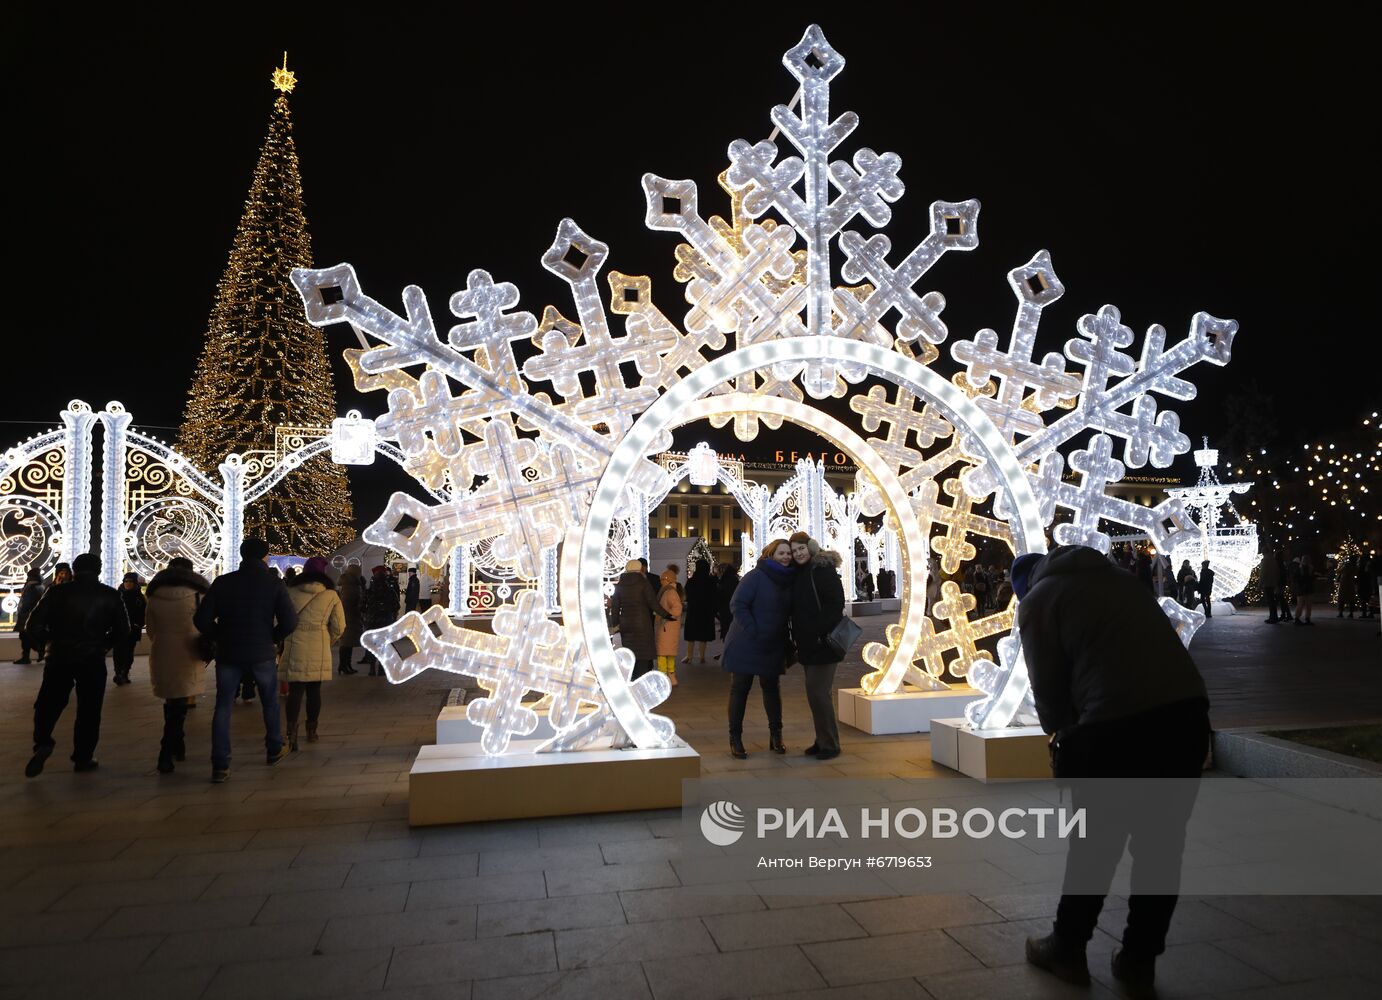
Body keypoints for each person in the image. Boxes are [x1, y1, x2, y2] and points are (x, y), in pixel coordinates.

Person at [1010, 545, 1210, 997]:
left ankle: (1067, 950)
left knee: (1094, 848)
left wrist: (1062, 735)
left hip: (1114, 728)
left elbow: (1049, 691)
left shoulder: (1040, 600)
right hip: (1185, 717)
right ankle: (1139, 961)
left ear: (1024, 587)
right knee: (1160, 848)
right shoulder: (1120, 578)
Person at [194, 537, 298, 783]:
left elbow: (201, 620)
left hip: (229, 652)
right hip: (261, 651)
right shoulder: (273, 583)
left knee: (223, 706)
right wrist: (273, 637)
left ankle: (220, 764)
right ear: (265, 556)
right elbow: (291, 621)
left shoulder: (223, 583)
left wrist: (219, 635)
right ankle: (274, 748)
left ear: (242, 555)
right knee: (270, 702)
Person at [24, 552, 129, 777]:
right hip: (92, 658)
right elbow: (124, 630)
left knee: (48, 702)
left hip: (60, 656)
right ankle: (83, 757)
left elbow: (32, 625)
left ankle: (42, 741)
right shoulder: (109, 595)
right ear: (99, 569)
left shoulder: (56, 592)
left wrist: (43, 647)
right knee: (89, 709)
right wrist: (103, 645)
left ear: (74, 569)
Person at [721, 539, 795, 759]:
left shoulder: (788, 579)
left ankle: (776, 735)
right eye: (781, 553)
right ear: (770, 554)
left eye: (788, 553)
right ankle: (735, 738)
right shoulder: (755, 577)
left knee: (771, 687)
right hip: (746, 641)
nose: (786, 557)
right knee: (740, 688)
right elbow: (738, 604)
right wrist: (754, 630)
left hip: (772, 643)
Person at [144, 557, 210, 774]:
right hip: (188, 649)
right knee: (180, 701)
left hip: (163, 649)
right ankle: (167, 750)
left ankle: (176, 743)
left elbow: (151, 630)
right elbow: (207, 625)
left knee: (172, 699)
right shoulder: (198, 595)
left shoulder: (154, 595)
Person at [788, 532, 846, 760]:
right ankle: (822, 740)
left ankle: (831, 744)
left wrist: (817, 632)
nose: (798, 553)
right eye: (794, 551)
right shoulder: (801, 573)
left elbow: (835, 604)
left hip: (824, 643)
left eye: (801, 548)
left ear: (810, 547)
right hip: (807, 644)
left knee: (818, 693)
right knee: (815, 695)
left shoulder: (822, 570)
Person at [279, 556, 346, 750]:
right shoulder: (331, 595)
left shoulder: (290, 591)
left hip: (295, 643)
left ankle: (291, 732)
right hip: (319, 642)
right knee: (314, 690)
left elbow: (280, 619)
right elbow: (340, 626)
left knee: (295, 690)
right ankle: (312, 731)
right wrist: (328, 640)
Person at [609, 559, 671, 680]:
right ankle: (642, 679)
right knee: (643, 652)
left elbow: (616, 607)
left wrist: (615, 623)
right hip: (642, 621)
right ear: (639, 568)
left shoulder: (620, 584)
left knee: (630, 651)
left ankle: (632, 676)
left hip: (626, 622)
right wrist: (666, 614)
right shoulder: (643, 582)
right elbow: (653, 603)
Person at [361, 565, 400, 675]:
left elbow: (362, 606)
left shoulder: (369, 591)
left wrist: (366, 616)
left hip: (371, 621)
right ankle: (382, 669)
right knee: (384, 644)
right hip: (386, 621)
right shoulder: (390, 591)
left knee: (373, 645)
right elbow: (396, 605)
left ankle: (372, 668)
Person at [111, 572, 146, 685]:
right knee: (118, 652)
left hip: (132, 630)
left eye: (130, 581)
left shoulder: (139, 598)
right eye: (126, 581)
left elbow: (143, 614)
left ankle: (124, 672)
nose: (128, 583)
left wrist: (137, 624)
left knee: (128, 652)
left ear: (135, 583)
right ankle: (118, 672)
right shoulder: (117, 596)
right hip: (118, 629)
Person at [682, 558, 717, 664]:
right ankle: (702, 656)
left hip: (694, 610)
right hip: (706, 611)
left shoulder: (692, 580)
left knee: (691, 635)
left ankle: (689, 656)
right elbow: (714, 596)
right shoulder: (711, 581)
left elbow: (687, 595)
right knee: (703, 635)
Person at [655, 568, 683, 686]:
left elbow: (677, 608)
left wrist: (667, 616)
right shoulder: (670, 590)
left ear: (667, 580)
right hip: (670, 627)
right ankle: (671, 676)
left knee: (662, 652)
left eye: (662, 579)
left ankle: (663, 676)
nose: (661, 581)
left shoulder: (669, 592)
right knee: (669, 652)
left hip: (666, 626)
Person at [12, 568, 45, 664]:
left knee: (25, 636)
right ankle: (37, 652)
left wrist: (21, 613)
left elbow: (26, 603)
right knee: (28, 636)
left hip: (26, 617)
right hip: (34, 617)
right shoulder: (40, 586)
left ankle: (32, 654)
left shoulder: (30, 587)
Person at [336, 564, 363, 674]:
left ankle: (346, 665)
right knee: (346, 642)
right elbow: (348, 602)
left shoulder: (352, 583)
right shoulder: (350, 585)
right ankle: (343, 665)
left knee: (348, 642)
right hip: (349, 617)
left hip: (350, 616)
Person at [716, 562, 740, 641]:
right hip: (731, 607)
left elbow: (722, 593)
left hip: (726, 607)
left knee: (727, 628)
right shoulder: (733, 579)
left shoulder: (726, 580)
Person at [1259, 545, 1281, 623]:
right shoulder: (1273, 559)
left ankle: (1272, 617)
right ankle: (1274, 617)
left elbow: (1263, 573)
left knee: (1270, 601)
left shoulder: (1265, 560)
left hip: (1267, 583)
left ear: (1263, 552)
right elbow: (1277, 571)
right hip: (1273, 582)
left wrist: (1260, 583)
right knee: (1272, 600)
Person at [1294, 555, 1316, 625]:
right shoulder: (1310, 568)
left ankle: (1298, 618)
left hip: (1302, 589)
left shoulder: (1300, 568)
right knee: (1306, 605)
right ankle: (1306, 618)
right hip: (1306, 589)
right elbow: (1311, 578)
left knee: (1302, 604)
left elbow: (1296, 578)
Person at [1337, 554, 1358, 618]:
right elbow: (1356, 573)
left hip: (1344, 582)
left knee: (1342, 598)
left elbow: (1339, 571)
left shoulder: (1346, 565)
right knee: (1351, 599)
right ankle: (1351, 613)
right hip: (1351, 583)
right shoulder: (1355, 566)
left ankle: (1341, 613)